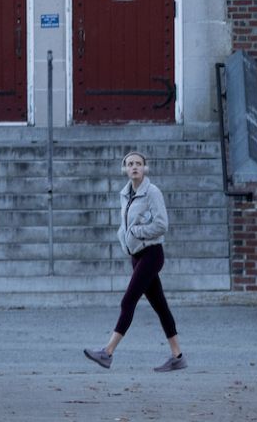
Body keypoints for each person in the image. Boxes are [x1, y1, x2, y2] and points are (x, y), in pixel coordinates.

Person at [83, 150, 185, 371]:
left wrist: (136, 231)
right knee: (160, 306)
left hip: (152, 254)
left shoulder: (152, 192)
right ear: (125, 169)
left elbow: (162, 224)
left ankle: (107, 352)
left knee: (127, 302)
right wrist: (124, 237)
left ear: (144, 168)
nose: (134, 167)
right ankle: (178, 356)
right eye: (130, 164)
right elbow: (125, 224)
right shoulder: (126, 194)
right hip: (136, 255)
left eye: (138, 163)